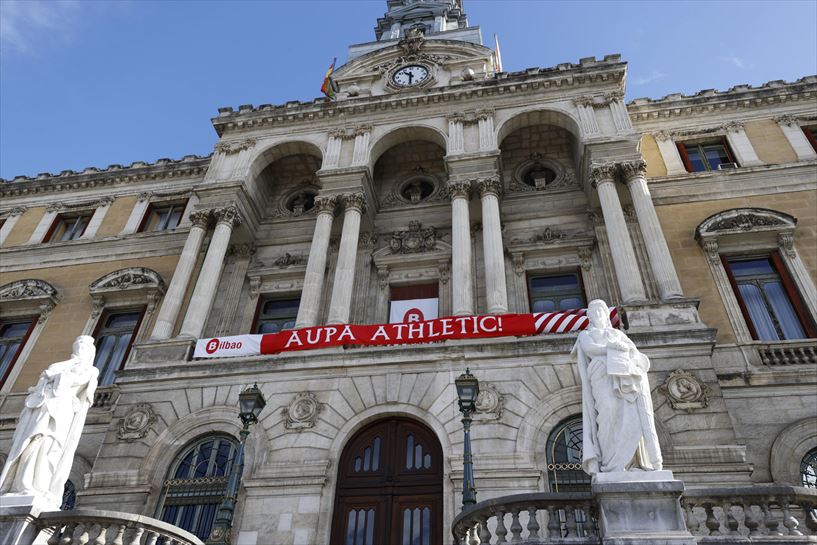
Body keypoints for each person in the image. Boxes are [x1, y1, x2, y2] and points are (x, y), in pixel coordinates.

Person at [0, 336, 98, 507]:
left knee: (50, 448)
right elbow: (43, 381)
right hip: (41, 410)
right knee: (30, 445)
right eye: (79, 344)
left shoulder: (90, 371)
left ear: (91, 352)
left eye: (85, 346)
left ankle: (36, 486)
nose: (81, 348)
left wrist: (56, 377)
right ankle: (20, 485)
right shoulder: (60, 365)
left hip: (62, 413)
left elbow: (72, 383)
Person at [572, 300, 662, 476]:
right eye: (594, 311)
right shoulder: (586, 334)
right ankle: (611, 462)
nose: (598, 313)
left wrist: (627, 351)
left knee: (630, 414)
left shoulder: (618, 334)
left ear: (606, 314)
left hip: (624, 375)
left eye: (601, 310)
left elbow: (634, 353)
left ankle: (632, 463)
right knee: (607, 414)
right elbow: (591, 349)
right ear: (589, 316)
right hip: (601, 375)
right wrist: (611, 347)